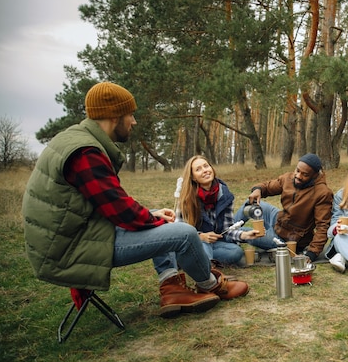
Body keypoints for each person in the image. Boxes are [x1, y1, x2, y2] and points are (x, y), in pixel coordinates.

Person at [22, 81, 248, 320]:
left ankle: (172, 288)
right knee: (183, 233)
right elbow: (121, 211)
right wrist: (155, 221)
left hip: (67, 237)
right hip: (70, 248)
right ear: (114, 116)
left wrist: (152, 216)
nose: (134, 121)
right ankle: (210, 285)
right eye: (130, 114)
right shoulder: (86, 153)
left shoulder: (76, 140)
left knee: (158, 219)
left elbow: (107, 202)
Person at [234, 153, 334, 262]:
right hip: (278, 219)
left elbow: (323, 227)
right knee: (249, 203)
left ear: (314, 175)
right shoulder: (288, 178)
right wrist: (258, 190)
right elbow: (268, 187)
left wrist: (312, 253)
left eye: (305, 174)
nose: (298, 176)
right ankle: (225, 230)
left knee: (245, 232)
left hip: (288, 238)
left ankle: (228, 236)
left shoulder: (323, 193)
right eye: (298, 170)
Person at [176, 155, 260, 265]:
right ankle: (207, 270)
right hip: (195, 243)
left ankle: (200, 260)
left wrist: (244, 236)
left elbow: (227, 229)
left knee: (236, 252)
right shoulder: (186, 198)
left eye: (206, 166)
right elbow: (179, 232)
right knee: (203, 246)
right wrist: (201, 236)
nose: (205, 170)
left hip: (216, 243)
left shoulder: (225, 195)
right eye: (198, 169)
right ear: (193, 177)